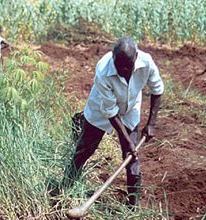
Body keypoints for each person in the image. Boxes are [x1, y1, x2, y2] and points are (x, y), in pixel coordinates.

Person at [61, 37, 164, 207]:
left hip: (130, 111)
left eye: (128, 65)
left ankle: (133, 205)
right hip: (100, 112)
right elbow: (109, 111)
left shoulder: (146, 62)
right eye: (119, 65)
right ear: (113, 57)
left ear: (136, 57)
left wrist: (151, 123)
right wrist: (126, 139)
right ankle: (65, 188)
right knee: (84, 150)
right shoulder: (103, 69)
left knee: (132, 159)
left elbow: (157, 89)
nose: (123, 70)